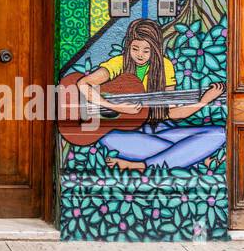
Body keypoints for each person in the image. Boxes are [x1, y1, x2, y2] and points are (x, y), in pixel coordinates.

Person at [77, 18, 225, 171]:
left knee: (219, 133)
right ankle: (194, 157)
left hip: (158, 127)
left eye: (146, 50)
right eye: (135, 49)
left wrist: (204, 101)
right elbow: (83, 84)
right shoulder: (118, 63)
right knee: (110, 139)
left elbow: (171, 113)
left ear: (155, 49)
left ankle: (141, 164)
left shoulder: (165, 66)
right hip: (122, 132)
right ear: (128, 46)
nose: (140, 55)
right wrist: (116, 107)